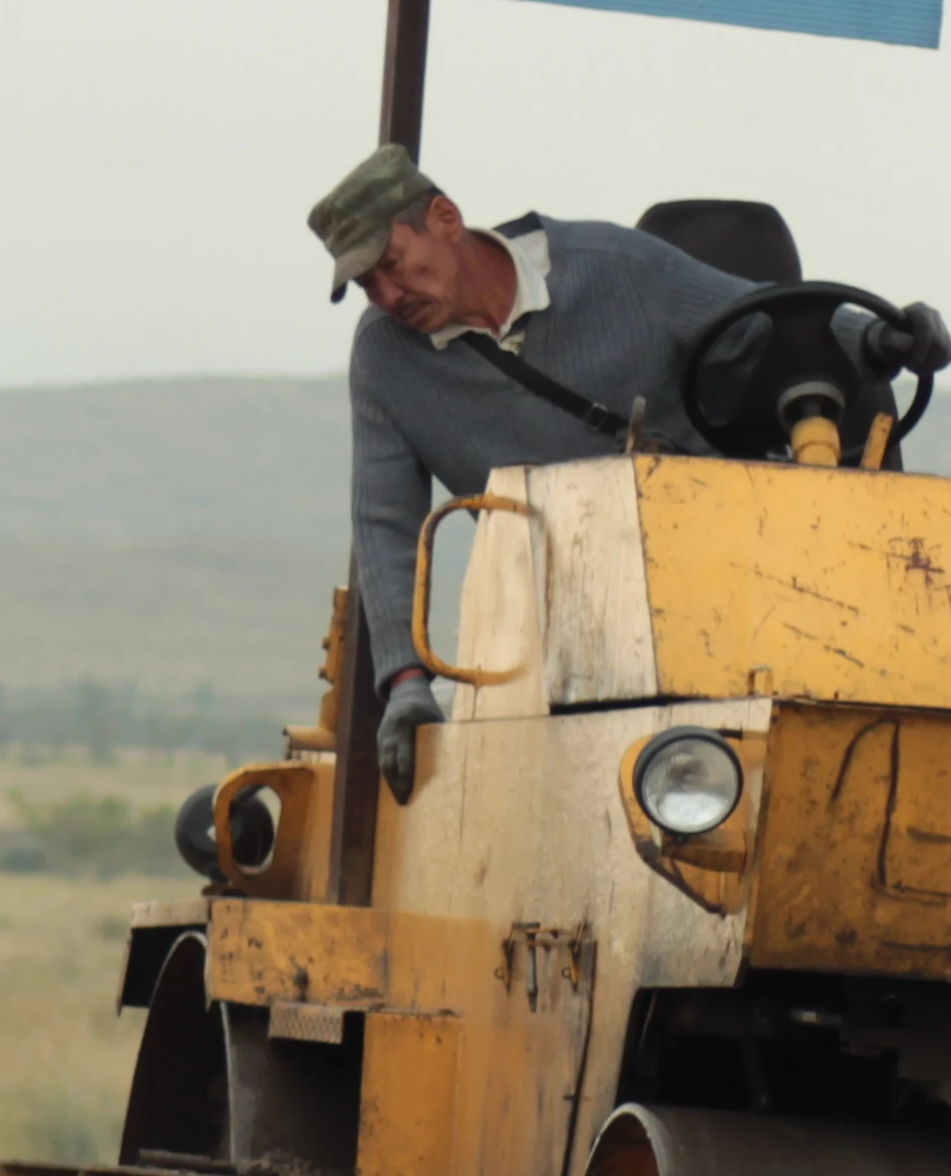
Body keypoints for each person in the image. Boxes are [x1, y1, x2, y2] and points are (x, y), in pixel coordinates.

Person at [308, 145, 755, 795]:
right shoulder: (385, 356)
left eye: (392, 265)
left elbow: (771, 319)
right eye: (367, 285)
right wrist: (406, 682)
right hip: (543, 643)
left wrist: (886, 334)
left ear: (446, 218)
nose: (387, 295)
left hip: (718, 599)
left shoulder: (615, 267)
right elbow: (385, 526)